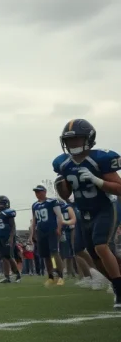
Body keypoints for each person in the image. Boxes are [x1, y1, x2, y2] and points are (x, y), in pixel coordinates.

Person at [53, 119, 121, 308]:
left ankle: (119, 291)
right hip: (83, 211)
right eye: (69, 141)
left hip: (105, 207)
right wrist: (60, 186)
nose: (72, 144)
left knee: (101, 246)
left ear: (89, 139)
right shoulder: (63, 163)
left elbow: (119, 188)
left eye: (77, 140)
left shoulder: (101, 158)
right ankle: (117, 286)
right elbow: (66, 195)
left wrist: (97, 181)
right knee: (95, 255)